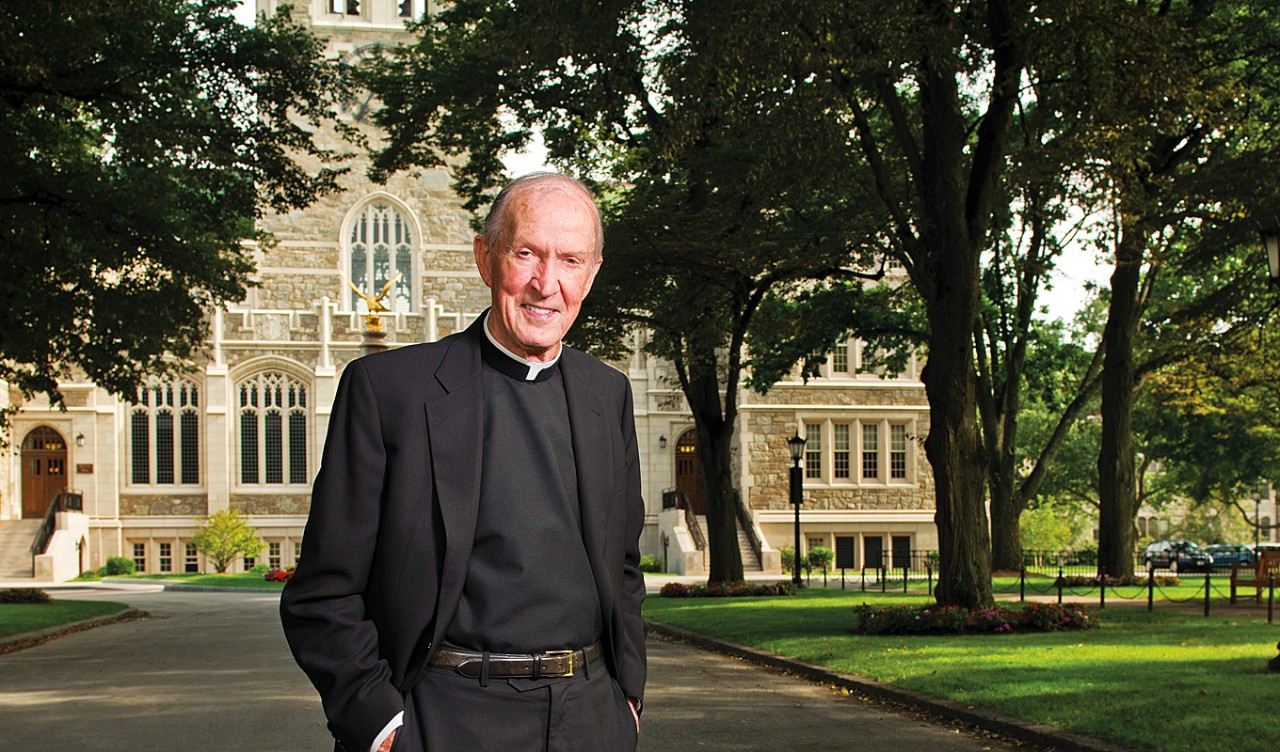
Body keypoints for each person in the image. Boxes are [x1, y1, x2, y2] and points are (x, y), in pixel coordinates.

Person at [281, 172, 647, 752]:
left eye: (571, 260)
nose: (546, 283)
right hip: (444, 717)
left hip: (589, 719)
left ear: (592, 272)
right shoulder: (388, 391)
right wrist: (380, 725)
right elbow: (322, 593)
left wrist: (626, 697)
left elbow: (623, 567)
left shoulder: (608, 394)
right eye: (526, 253)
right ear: (486, 257)